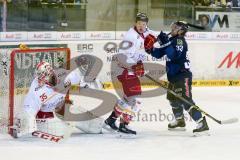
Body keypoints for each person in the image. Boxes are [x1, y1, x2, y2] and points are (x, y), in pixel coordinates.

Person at [144, 21, 209, 135]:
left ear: (181, 31)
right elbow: (159, 53)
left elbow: (174, 55)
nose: (172, 30)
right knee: (173, 99)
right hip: (173, 77)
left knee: (185, 100)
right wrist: (150, 49)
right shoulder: (171, 41)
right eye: (172, 27)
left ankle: (201, 123)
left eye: (175, 28)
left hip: (182, 76)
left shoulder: (179, 40)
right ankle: (179, 121)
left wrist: (165, 43)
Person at [13, 60, 103, 138]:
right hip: (45, 113)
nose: (40, 80)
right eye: (39, 77)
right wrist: (24, 123)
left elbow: (81, 75)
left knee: (95, 126)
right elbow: (29, 109)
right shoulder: (37, 91)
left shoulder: (64, 75)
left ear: (50, 73)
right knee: (60, 130)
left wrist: (92, 80)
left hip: (60, 106)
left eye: (43, 76)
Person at [104, 12, 156, 135]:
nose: (141, 26)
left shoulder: (144, 31)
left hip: (130, 69)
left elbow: (152, 33)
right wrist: (135, 67)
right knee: (134, 101)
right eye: (139, 23)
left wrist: (161, 37)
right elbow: (121, 58)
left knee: (128, 99)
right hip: (124, 69)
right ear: (135, 23)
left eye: (144, 24)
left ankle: (110, 120)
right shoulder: (131, 37)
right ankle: (123, 125)